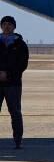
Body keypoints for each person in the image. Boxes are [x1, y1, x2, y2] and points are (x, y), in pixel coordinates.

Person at [0, 14, 28, 148]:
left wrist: (8, 74)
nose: (7, 26)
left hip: (13, 84)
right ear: (1, 26)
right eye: (4, 24)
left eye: (9, 24)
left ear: (14, 27)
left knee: (15, 112)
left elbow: (22, 64)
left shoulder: (20, 44)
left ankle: (18, 140)